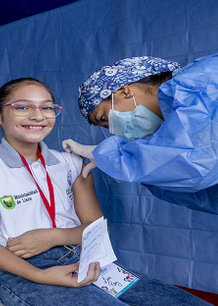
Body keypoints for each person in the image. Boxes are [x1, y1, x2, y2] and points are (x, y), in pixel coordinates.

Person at [0, 77, 218, 306]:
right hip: (23, 271)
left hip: (89, 261)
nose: (37, 115)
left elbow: (97, 229)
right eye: (22, 107)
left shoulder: (72, 163)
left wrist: (52, 236)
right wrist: (40, 274)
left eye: (47, 107)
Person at [63, 54, 218, 214]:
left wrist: (120, 157)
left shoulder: (200, 84)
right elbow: (203, 194)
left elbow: (195, 164)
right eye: (104, 126)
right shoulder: (178, 114)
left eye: (104, 118)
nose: (113, 130)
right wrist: (143, 168)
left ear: (124, 91)